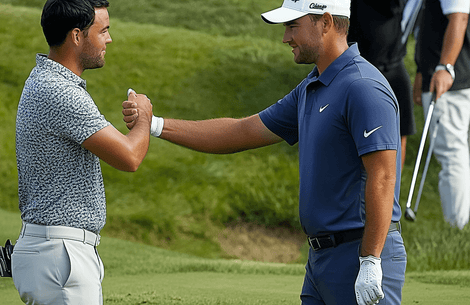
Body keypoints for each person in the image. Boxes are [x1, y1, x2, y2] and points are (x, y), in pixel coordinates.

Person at [124, 0, 407, 304]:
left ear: (325, 22)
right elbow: (241, 132)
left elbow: (383, 175)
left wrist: (370, 260)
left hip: (360, 254)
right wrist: (154, 124)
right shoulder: (313, 86)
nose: (285, 37)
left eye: (292, 26)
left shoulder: (363, 87)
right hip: (321, 260)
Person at [11, 0, 152, 304]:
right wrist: (144, 117)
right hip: (61, 255)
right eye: (103, 31)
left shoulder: (45, 81)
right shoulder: (60, 92)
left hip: (55, 252)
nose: (109, 39)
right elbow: (129, 157)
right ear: (77, 36)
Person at [413, 0, 470, 230]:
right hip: (443, 76)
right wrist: (421, 71)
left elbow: (459, 17)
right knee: (455, 153)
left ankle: (458, 228)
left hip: (449, 82)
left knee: (451, 153)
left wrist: (445, 66)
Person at [348, 0, 416, 167]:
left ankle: (392, 190)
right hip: (359, 66)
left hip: (393, 64)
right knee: (352, 138)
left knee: (399, 135)